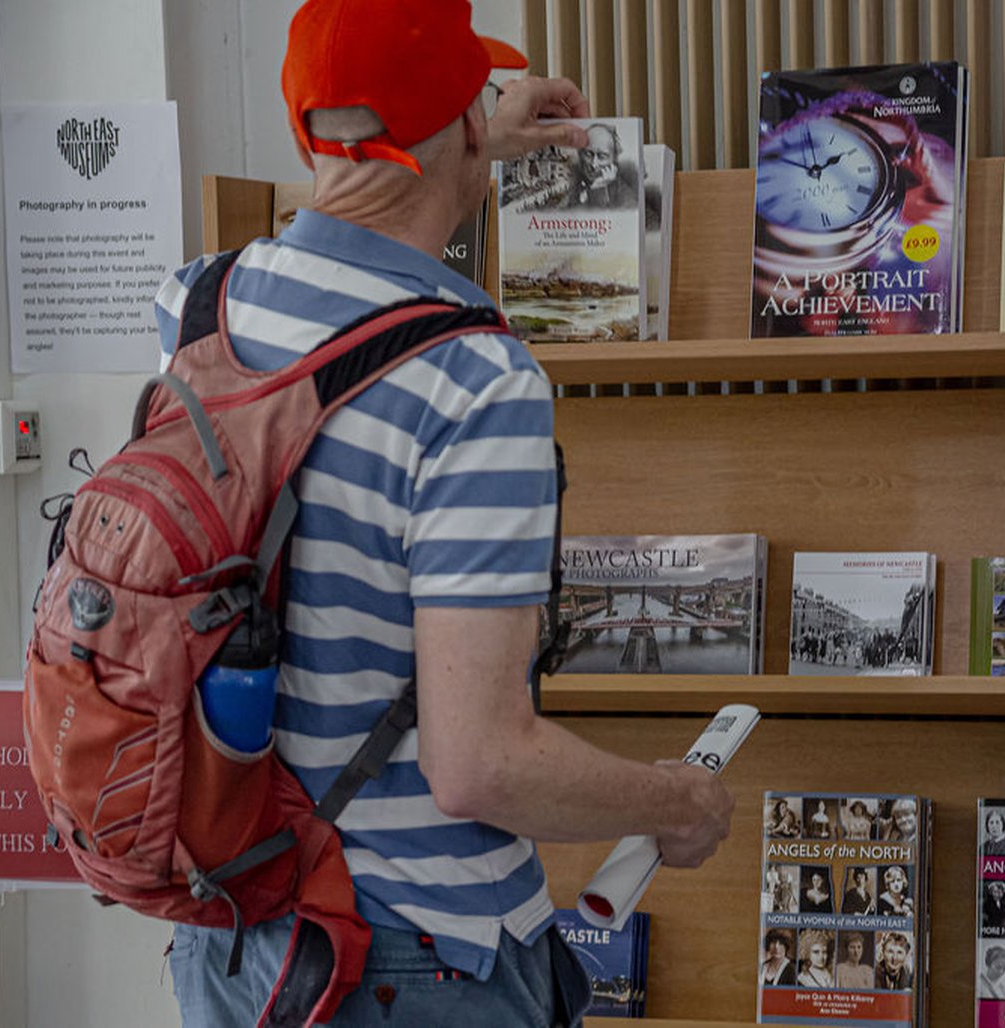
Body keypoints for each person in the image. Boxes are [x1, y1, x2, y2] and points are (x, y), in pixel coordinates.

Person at [157, 4, 735, 1025]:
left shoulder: (200, 306)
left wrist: (445, 142)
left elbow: (343, 206)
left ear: (304, 133)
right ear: (469, 125)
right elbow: (479, 763)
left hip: (233, 927)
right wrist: (671, 801)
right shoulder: (474, 379)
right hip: (409, 956)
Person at [568, 122, 638, 208]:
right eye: (589, 154)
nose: (594, 164)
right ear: (580, 153)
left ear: (614, 160)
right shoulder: (571, 184)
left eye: (602, 157)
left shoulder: (625, 198)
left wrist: (598, 190)